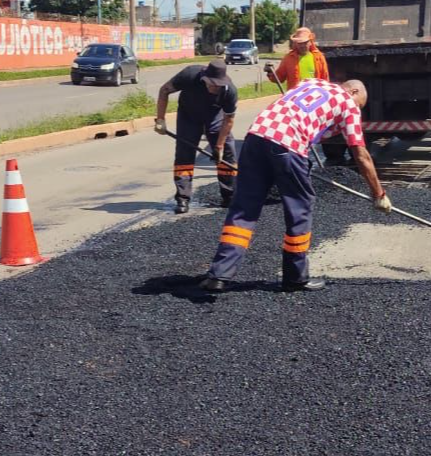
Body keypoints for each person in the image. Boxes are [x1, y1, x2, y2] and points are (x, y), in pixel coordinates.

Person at [198, 78, 391, 293]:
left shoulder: (310, 83)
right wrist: (379, 193)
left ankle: (219, 274)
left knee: (244, 208)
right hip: (288, 144)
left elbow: (305, 115)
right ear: (353, 91)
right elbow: (361, 155)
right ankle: (295, 278)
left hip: (255, 138)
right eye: (360, 104)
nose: (358, 109)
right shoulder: (347, 103)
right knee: (300, 207)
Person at [155, 59, 239, 214]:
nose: (215, 88)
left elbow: (229, 119)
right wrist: (160, 119)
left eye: (218, 85)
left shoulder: (229, 91)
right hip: (188, 116)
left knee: (227, 153)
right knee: (184, 155)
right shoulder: (190, 75)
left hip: (215, 116)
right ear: (204, 78)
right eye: (212, 84)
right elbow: (164, 90)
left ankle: (229, 197)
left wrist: (219, 146)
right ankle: (183, 199)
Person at [267, 27, 329, 91]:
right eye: (299, 43)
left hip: (314, 96)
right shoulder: (288, 58)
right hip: (296, 97)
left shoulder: (319, 57)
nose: (302, 45)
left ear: (310, 42)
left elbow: (325, 79)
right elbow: (279, 78)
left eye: (305, 42)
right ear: (295, 44)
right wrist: (270, 72)